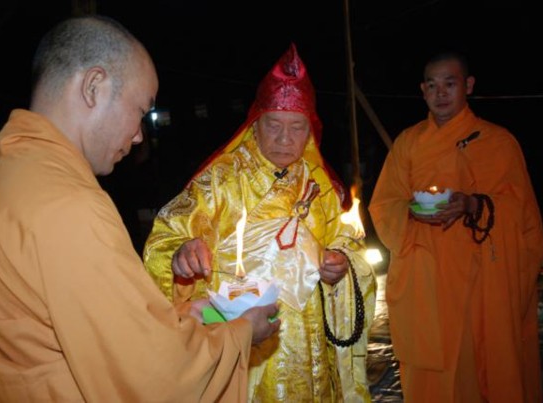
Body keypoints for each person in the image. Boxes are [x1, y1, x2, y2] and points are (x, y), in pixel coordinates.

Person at [0, 15, 281, 402]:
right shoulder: (70, 206)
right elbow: (153, 377)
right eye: (140, 110)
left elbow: (83, 329)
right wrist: (243, 332)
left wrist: (180, 320)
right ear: (94, 86)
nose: (139, 135)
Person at [143, 43, 377, 402]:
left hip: (312, 347)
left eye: (296, 127)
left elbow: (347, 240)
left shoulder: (320, 184)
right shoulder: (219, 180)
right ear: (255, 124)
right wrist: (180, 255)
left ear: (311, 129)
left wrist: (340, 262)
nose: (284, 139)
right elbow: (165, 240)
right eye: (274, 125)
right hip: (244, 345)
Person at [368, 50, 543, 402]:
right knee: (430, 369)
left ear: (468, 85)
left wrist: (473, 204)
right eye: (432, 85)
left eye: (449, 84)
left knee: (478, 366)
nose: (441, 93)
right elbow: (384, 203)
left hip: (479, 282)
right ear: (423, 91)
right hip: (425, 279)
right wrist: (411, 213)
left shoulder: (497, 142)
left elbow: (522, 214)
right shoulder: (408, 143)